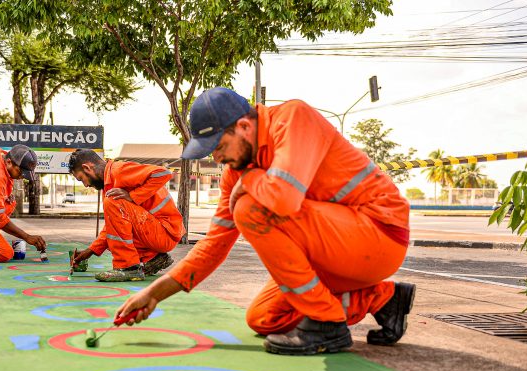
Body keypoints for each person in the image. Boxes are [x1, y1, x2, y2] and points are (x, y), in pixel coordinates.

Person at [116, 87, 416, 356]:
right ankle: (384, 300)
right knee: (264, 320)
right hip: (334, 252)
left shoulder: (294, 119)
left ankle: (327, 323)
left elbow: (283, 199)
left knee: (249, 209)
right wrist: (153, 293)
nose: (217, 158)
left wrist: (252, 180)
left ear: (244, 126)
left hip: (379, 235)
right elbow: (214, 245)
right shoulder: (237, 171)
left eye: (218, 147)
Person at [68, 149, 184, 281]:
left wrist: (133, 196)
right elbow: (115, 227)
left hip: (166, 232)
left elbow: (163, 173)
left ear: (87, 168)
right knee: (114, 211)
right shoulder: (109, 184)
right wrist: (91, 250)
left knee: (112, 202)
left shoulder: (118, 170)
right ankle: (154, 258)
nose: (86, 185)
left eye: (81, 179)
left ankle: (127, 268)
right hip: (159, 234)